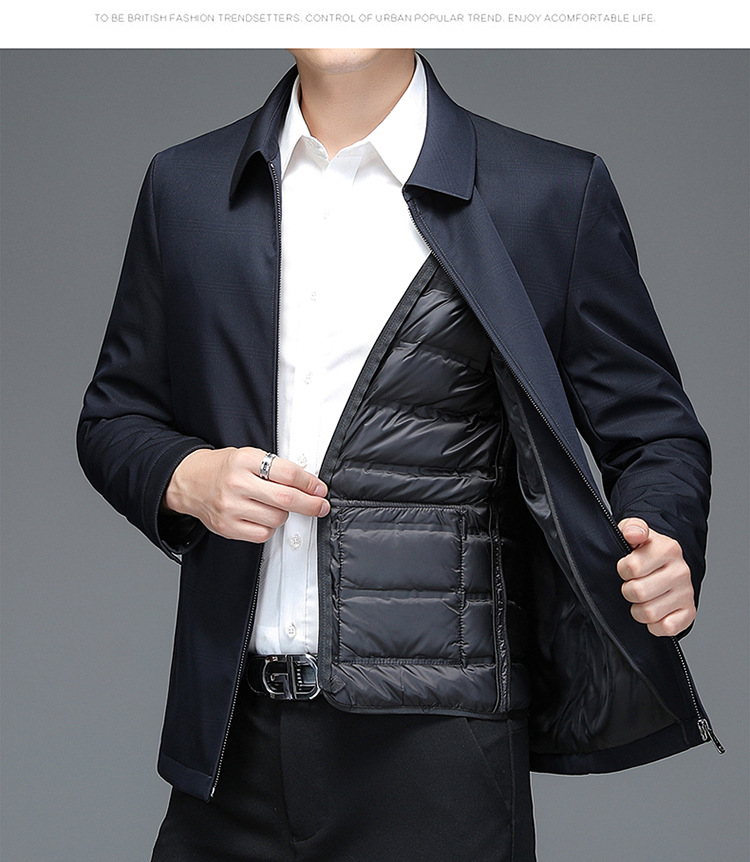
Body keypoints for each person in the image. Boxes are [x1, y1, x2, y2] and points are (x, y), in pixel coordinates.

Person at [77, 50, 721, 861]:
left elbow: (654, 431)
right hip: (229, 747)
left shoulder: (548, 192)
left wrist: (665, 533)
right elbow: (113, 417)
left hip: (440, 755)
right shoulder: (186, 187)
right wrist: (186, 477)